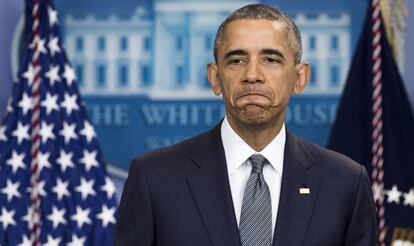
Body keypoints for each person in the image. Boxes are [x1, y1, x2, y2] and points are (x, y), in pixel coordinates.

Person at [114, 4, 377, 246]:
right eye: (236, 60)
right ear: (215, 78)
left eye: (270, 59)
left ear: (300, 77)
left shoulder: (346, 184)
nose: (252, 75)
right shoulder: (153, 178)